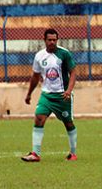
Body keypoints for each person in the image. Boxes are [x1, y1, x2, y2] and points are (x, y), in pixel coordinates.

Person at [21, 28, 77, 162]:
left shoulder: (64, 54)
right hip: (46, 95)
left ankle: (73, 153)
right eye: (49, 40)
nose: (52, 42)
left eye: (54, 40)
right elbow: (35, 76)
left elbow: (73, 72)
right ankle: (35, 154)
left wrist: (69, 91)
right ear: (44, 40)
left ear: (57, 40)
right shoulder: (39, 56)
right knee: (39, 118)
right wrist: (29, 94)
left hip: (62, 96)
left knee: (68, 123)